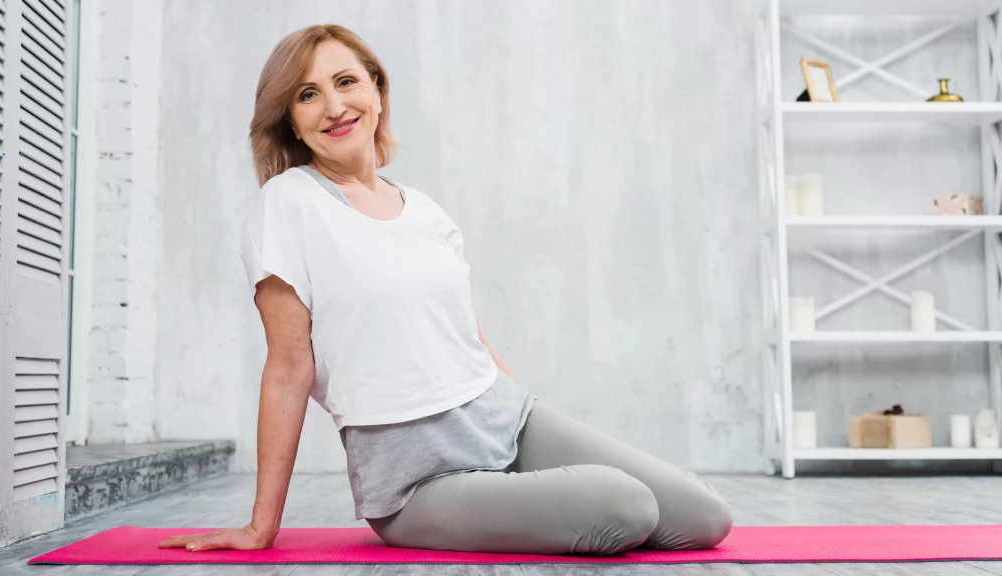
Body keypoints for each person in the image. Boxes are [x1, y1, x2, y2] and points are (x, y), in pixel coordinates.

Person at [159, 24, 732, 556]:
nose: (334, 106)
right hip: (418, 482)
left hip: (503, 417)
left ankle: (529, 489)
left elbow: (466, 336)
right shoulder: (287, 204)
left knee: (706, 518)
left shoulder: (426, 212)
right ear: (290, 117)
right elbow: (288, 368)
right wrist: (263, 525)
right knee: (624, 506)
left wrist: (519, 425)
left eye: (345, 82)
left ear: (377, 91)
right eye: (308, 94)